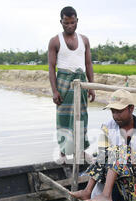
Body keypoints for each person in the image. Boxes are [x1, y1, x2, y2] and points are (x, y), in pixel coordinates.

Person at [48, 6, 95, 164]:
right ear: (61, 21)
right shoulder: (55, 41)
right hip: (63, 80)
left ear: (77, 21)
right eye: (66, 23)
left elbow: (88, 64)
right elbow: (51, 67)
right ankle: (63, 152)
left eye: (72, 22)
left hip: (80, 81)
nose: (69, 26)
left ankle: (81, 151)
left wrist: (91, 86)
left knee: (81, 116)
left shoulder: (84, 40)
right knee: (64, 117)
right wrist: (55, 91)